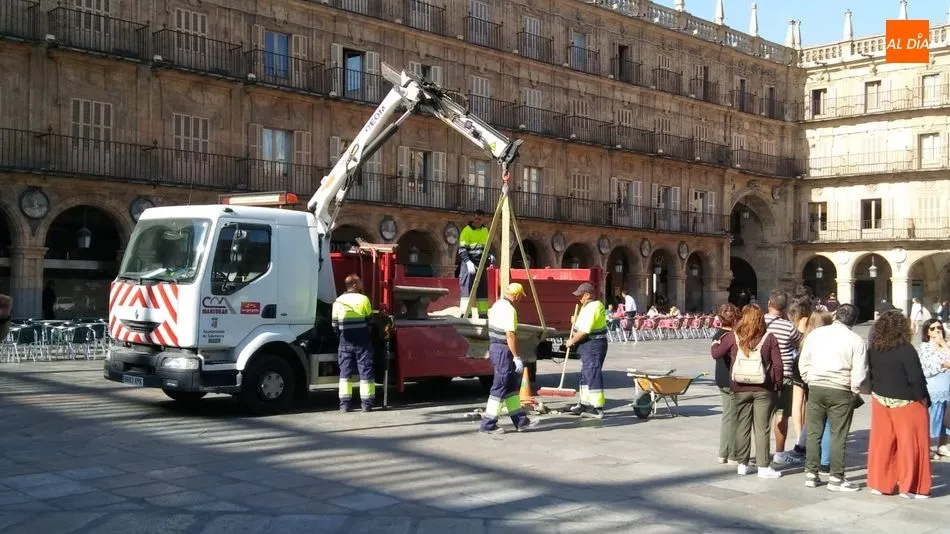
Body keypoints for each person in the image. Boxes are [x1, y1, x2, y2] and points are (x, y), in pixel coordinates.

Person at [799, 303, 868, 491]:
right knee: (838, 434)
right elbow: (860, 371)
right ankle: (836, 477)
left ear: (836, 315)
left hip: (817, 386)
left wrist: (808, 378)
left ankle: (811, 474)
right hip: (841, 388)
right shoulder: (856, 340)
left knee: (814, 432)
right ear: (854, 320)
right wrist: (854, 389)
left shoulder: (816, 334)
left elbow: (804, 359)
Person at [711, 304, 784, 479]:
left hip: (739, 386)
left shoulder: (733, 336)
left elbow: (716, 354)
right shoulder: (769, 337)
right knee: (762, 428)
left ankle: (742, 464)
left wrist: (715, 343)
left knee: (742, 426)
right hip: (763, 388)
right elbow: (778, 365)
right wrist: (777, 384)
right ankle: (763, 467)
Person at [866, 310, 931, 498]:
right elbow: (916, 378)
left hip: (880, 400)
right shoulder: (906, 349)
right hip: (908, 401)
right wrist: (924, 398)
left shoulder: (874, 349)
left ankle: (880, 483)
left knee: (883, 442)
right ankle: (912, 486)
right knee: (913, 444)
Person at [479, 283, 538, 434]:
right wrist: (516, 356)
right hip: (503, 350)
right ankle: (488, 424)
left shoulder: (497, 305)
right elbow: (510, 335)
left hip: (495, 347)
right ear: (517, 295)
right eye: (520, 296)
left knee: (510, 387)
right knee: (500, 385)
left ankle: (521, 422)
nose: (520, 299)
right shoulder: (510, 310)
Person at [764, 290, 803, 466]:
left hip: (761, 374)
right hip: (784, 375)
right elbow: (799, 342)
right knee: (781, 415)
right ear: (785, 308)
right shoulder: (788, 326)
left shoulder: (758, 322)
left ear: (769, 304)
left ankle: (760, 452)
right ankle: (779, 453)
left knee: (761, 415)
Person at [331, 274, 376, 413]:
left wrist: (342, 336)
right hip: (362, 341)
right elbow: (369, 320)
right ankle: (367, 404)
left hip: (345, 341)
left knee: (345, 372)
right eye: (360, 282)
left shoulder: (338, 301)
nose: (362, 284)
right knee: (365, 371)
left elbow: (334, 325)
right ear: (355, 284)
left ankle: (344, 404)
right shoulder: (364, 299)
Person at [565, 282, 609, 419]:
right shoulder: (588, 306)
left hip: (593, 344)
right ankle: (584, 403)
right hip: (588, 344)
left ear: (588, 295)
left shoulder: (593, 307)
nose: (579, 298)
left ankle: (597, 408)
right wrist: (576, 321)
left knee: (592, 373)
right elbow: (583, 325)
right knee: (586, 374)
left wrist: (571, 341)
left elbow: (584, 331)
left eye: (581, 296)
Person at [711, 303, 741, 465]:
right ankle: (731, 454)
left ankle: (724, 453)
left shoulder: (718, 335)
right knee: (733, 417)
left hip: (721, 379)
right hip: (732, 380)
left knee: (727, 416)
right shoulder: (734, 337)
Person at [918, 319, 950, 459]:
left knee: (946, 419)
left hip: (947, 386)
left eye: (939, 327)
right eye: (933, 328)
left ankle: (942, 445)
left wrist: (943, 344)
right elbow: (928, 367)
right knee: (931, 419)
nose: (937, 330)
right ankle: (926, 447)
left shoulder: (946, 345)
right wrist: (944, 365)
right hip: (933, 388)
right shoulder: (925, 347)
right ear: (927, 332)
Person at [787, 296, 813, 459]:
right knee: (808, 403)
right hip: (807, 362)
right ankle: (805, 436)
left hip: (795, 362)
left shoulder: (791, 323)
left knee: (797, 402)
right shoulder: (808, 322)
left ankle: (799, 436)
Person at [457, 209, 490, 318]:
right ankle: (466, 313)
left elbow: (486, 247)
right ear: (473, 218)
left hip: (481, 264)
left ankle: (483, 313)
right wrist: (468, 262)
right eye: (476, 218)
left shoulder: (485, 231)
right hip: (468, 264)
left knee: (482, 289)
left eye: (480, 219)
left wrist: (490, 256)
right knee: (467, 288)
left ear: (483, 219)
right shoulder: (466, 231)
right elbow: (462, 250)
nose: (477, 221)